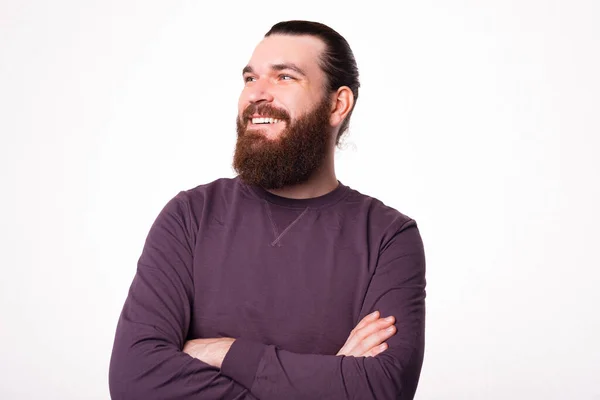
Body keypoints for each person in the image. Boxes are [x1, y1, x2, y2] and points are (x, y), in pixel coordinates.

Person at [109, 20, 426, 400]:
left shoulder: (389, 238)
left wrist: (223, 352)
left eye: (285, 78)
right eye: (249, 78)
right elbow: (136, 380)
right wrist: (329, 379)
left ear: (337, 104)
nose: (257, 94)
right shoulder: (189, 216)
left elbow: (379, 389)